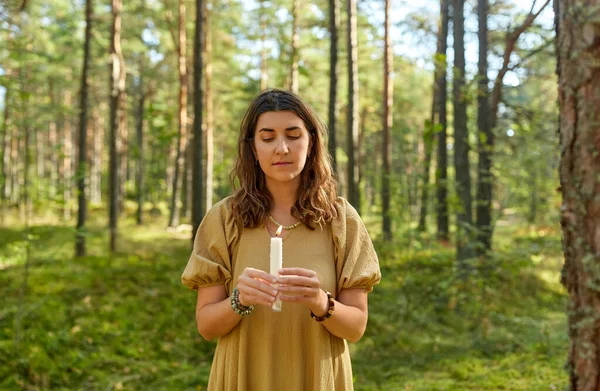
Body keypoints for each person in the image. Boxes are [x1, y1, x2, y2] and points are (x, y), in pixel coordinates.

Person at [182, 89, 381, 391]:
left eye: (293, 135)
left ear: (310, 142)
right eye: (268, 137)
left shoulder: (340, 219)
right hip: (244, 375)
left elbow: (355, 328)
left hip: (316, 375)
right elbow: (207, 326)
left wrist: (320, 301)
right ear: (252, 148)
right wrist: (239, 299)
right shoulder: (225, 218)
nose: (282, 148)